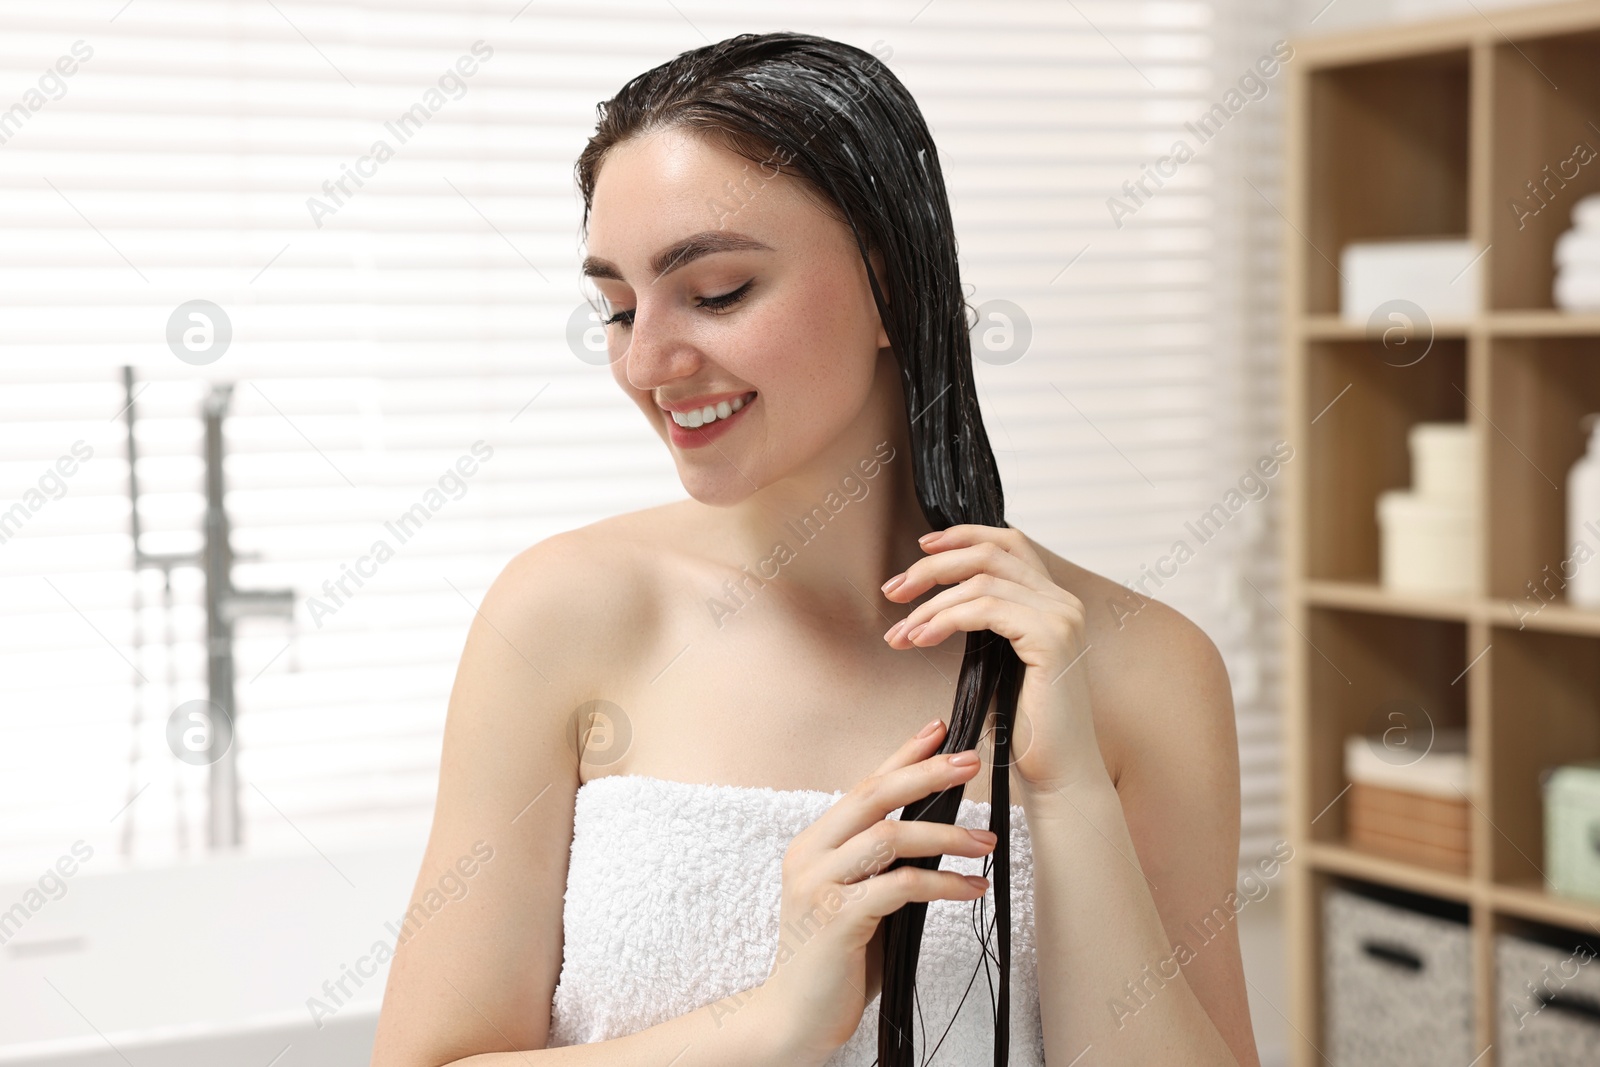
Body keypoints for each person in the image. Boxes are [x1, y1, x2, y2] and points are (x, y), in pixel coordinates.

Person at [372, 31, 1258, 1067]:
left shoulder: (1139, 665)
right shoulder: (565, 616)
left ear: (889, 282)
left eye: (715, 293)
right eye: (616, 307)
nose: (646, 360)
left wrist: (1067, 795)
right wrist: (773, 1021)